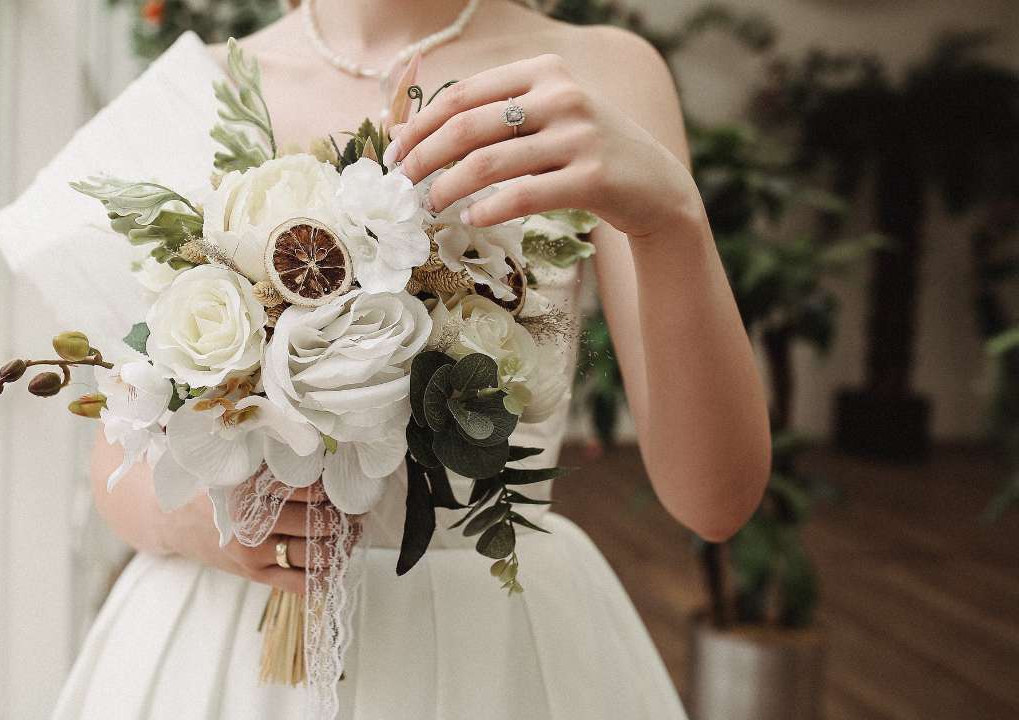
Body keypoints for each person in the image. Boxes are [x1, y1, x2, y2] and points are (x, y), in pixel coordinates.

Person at [49, 1, 770, 717]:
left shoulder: (602, 73)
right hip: (226, 652)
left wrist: (671, 222)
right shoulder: (197, 85)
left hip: (491, 653)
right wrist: (202, 525)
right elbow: (116, 451)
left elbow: (714, 503)